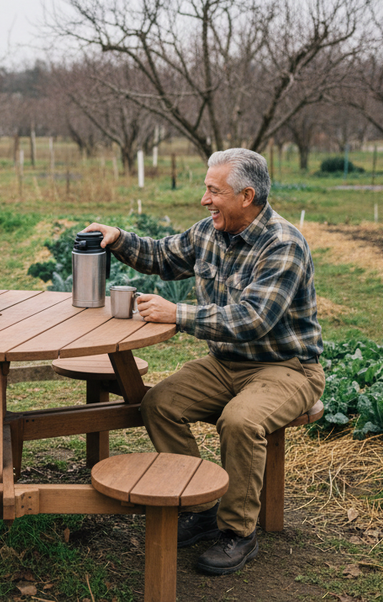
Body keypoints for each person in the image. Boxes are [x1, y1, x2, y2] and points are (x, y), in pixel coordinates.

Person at [83, 148, 324, 576]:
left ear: (246, 196)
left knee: (240, 421)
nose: (204, 199)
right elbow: (162, 256)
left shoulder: (283, 245)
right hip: (225, 363)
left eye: (214, 191)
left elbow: (253, 319)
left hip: (286, 368)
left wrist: (177, 313)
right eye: (205, 189)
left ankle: (238, 531)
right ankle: (202, 507)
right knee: (159, 404)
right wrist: (117, 238)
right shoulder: (209, 231)